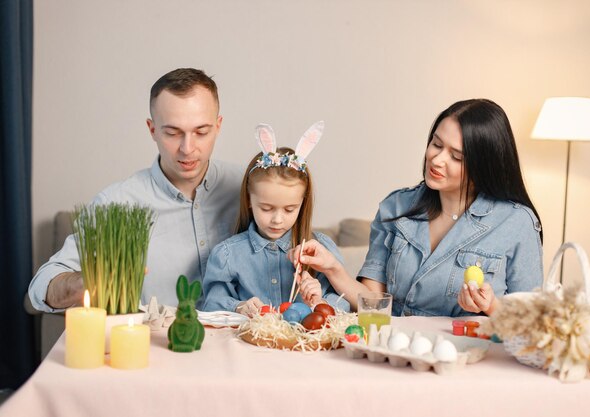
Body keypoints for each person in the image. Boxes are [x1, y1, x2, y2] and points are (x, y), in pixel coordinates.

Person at [292, 99, 543, 317]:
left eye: (456, 157)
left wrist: (490, 307)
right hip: (396, 354)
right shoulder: (397, 206)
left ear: (483, 167)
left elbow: (532, 326)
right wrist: (332, 267)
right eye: (436, 144)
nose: (437, 159)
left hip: (469, 361)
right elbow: (373, 304)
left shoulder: (517, 222)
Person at [29, 68, 243, 311]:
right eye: (172, 133)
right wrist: (87, 282)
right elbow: (41, 287)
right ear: (152, 130)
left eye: (201, 132)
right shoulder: (117, 203)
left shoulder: (247, 188)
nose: (187, 148)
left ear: (218, 126)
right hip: (156, 345)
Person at [202, 121, 350, 316]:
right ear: (249, 200)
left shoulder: (321, 250)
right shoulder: (228, 255)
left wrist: (319, 304)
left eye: (289, 209)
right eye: (266, 208)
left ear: (302, 204)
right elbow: (211, 304)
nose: (277, 219)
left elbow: (346, 301)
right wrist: (239, 307)